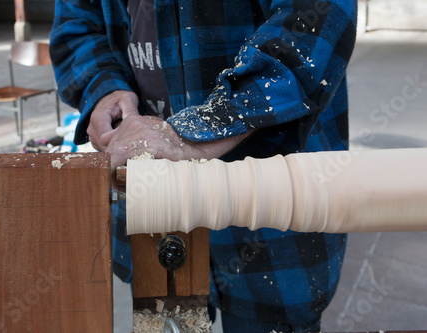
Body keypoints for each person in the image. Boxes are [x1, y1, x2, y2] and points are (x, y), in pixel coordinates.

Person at [50, 0, 357, 331]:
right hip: (152, 201)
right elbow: (80, 25)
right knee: (168, 312)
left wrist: (195, 133)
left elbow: (315, 16)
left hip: (272, 215)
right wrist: (104, 89)